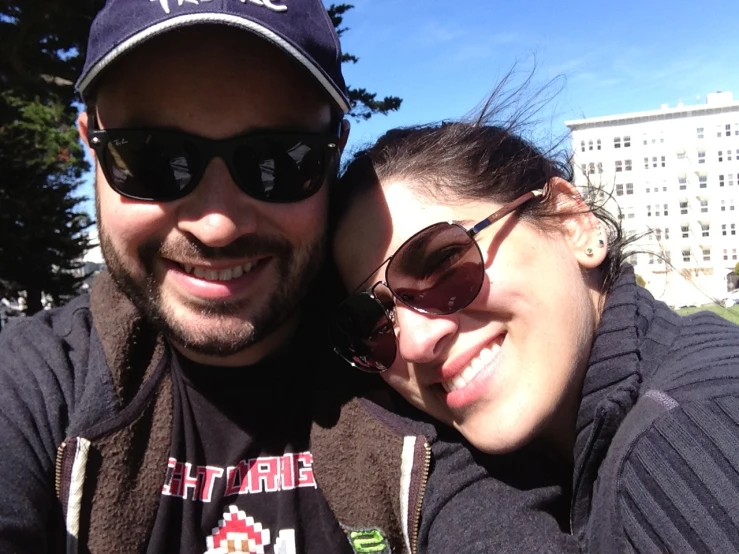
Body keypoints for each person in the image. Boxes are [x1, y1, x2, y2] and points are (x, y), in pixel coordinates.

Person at [0, 2, 583, 553]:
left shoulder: (406, 372)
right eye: (151, 158)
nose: (217, 224)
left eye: (278, 161)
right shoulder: (32, 388)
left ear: (333, 155)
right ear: (91, 148)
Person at [330, 108, 739, 553]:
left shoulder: (683, 449)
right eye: (372, 320)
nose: (415, 341)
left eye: (444, 263)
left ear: (571, 222)